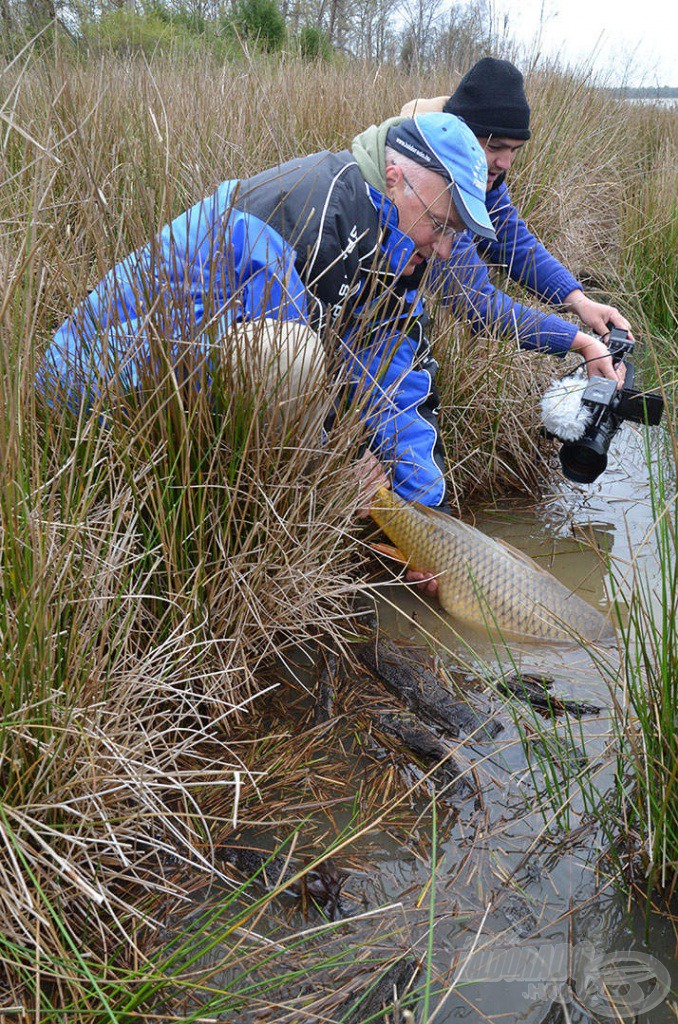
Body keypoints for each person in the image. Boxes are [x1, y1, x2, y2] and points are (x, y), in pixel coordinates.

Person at [42, 112, 495, 518]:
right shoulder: (311, 211)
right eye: (441, 224)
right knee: (290, 358)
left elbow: (393, 379)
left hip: (192, 389)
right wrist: (339, 468)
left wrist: (429, 517)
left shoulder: (393, 242)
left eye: (453, 233)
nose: (443, 249)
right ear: (395, 178)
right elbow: (282, 374)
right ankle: (246, 529)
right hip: (92, 386)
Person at [400, 57, 631, 387]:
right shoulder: (430, 179)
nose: (505, 162)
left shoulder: (477, 168)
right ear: (461, 131)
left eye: (515, 150)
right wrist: (581, 343)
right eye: (495, 147)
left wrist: (579, 302)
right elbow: (475, 304)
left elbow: (512, 242)